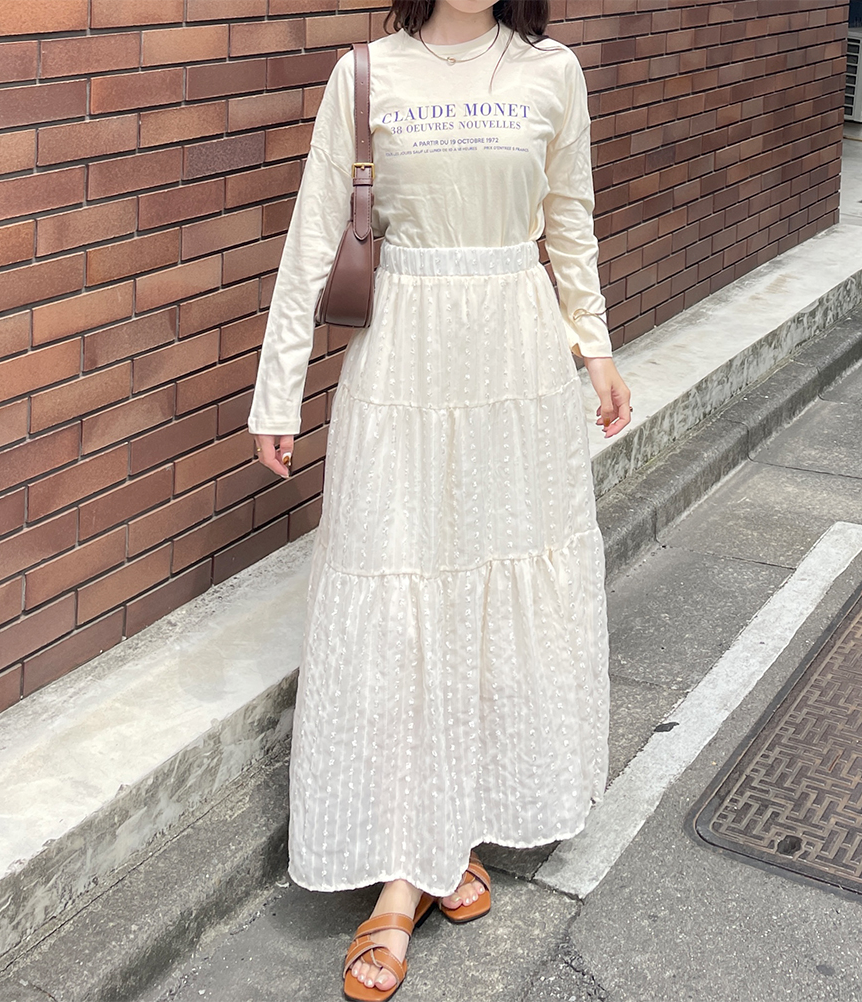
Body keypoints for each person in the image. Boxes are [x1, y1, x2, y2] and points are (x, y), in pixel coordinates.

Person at [247, 0, 631, 997]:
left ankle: (443, 838)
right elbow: (312, 237)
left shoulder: (551, 71)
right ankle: (401, 868)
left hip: (516, 364)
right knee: (398, 607)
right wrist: (277, 389)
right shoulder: (366, 74)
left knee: (488, 602)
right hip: (402, 364)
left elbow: (570, 223)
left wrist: (594, 347)